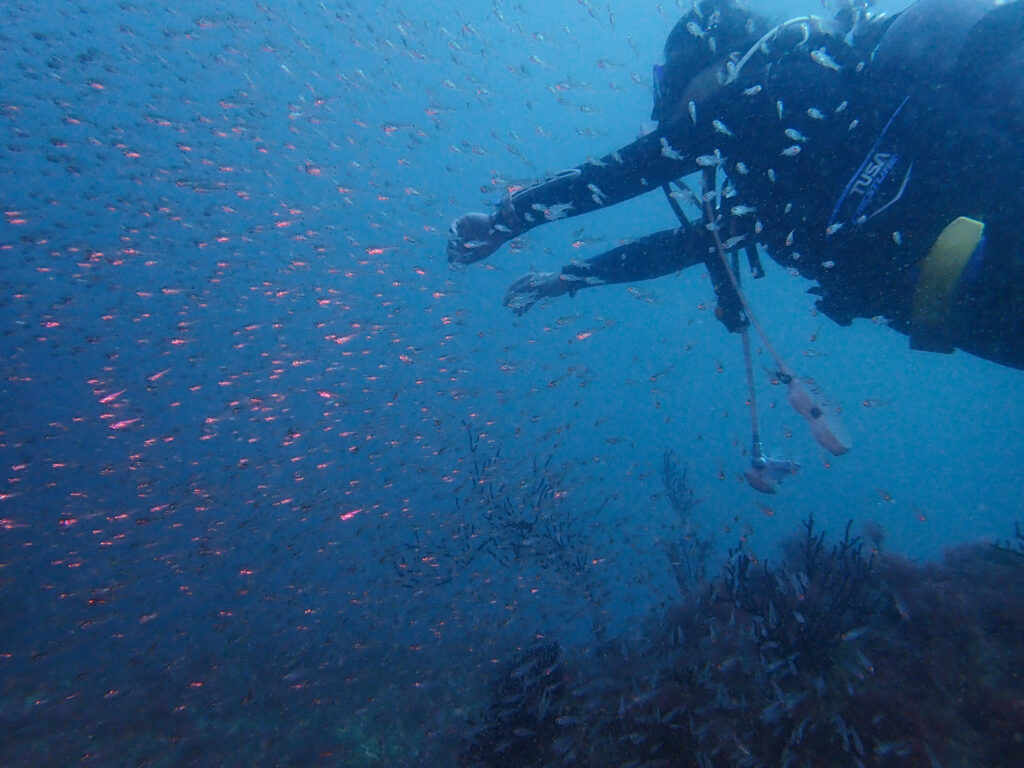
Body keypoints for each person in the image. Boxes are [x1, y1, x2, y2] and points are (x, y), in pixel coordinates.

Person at [446, 0, 1024, 371]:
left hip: (993, 262)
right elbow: (700, 241)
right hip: (975, 300)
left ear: (719, 66)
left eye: (675, 83)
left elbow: (639, 166)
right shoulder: (786, 150)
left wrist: (509, 219)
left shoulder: (773, 94)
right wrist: (573, 276)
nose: (668, 104)